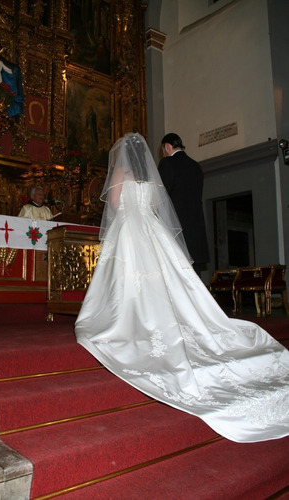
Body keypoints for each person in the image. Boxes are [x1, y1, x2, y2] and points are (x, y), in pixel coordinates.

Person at [75, 132, 289, 444]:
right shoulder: (153, 178)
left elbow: (117, 204)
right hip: (152, 230)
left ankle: (136, 319)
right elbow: (159, 206)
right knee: (171, 281)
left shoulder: (122, 174)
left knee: (129, 281)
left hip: (130, 230)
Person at [158, 133, 209, 276]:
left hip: (176, 230)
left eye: (163, 150)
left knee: (176, 278)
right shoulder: (195, 166)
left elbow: (161, 196)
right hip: (196, 232)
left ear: (167, 147)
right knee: (194, 278)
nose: (163, 154)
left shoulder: (167, 163)